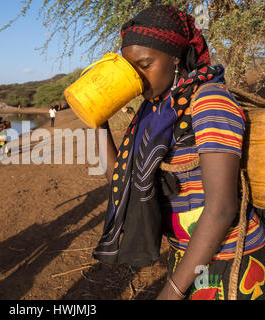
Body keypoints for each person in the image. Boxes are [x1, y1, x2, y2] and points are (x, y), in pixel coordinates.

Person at [92, 5, 265, 300]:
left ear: (174, 57)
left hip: (229, 262)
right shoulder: (155, 111)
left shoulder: (209, 101)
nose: (137, 77)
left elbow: (221, 209)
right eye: (130, 69)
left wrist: (171, 291)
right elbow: (121, 184)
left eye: (144, 64)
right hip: (187, 260)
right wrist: (95, 118)